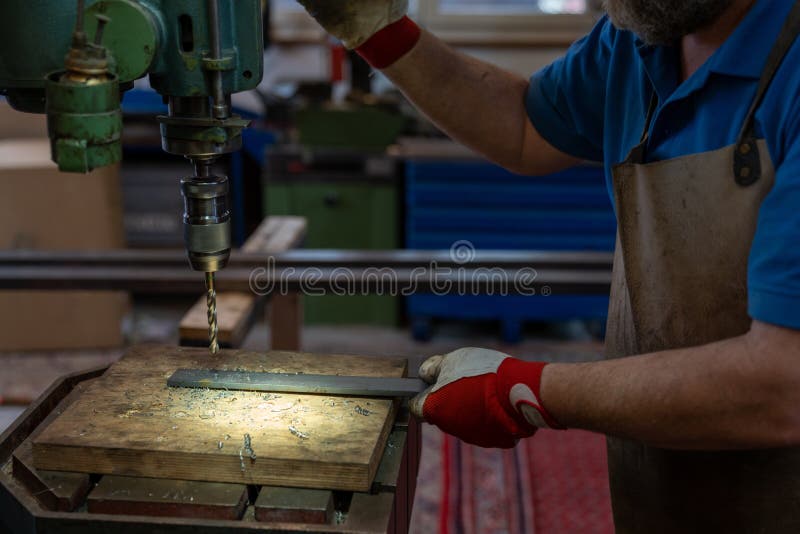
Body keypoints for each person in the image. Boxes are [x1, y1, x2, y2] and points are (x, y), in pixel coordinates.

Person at [295, 0, 800, 531]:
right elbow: (524, 126)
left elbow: (782, 383)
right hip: (667, 487)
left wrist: (527, 390)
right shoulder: (638, 36)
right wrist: (381, 33)